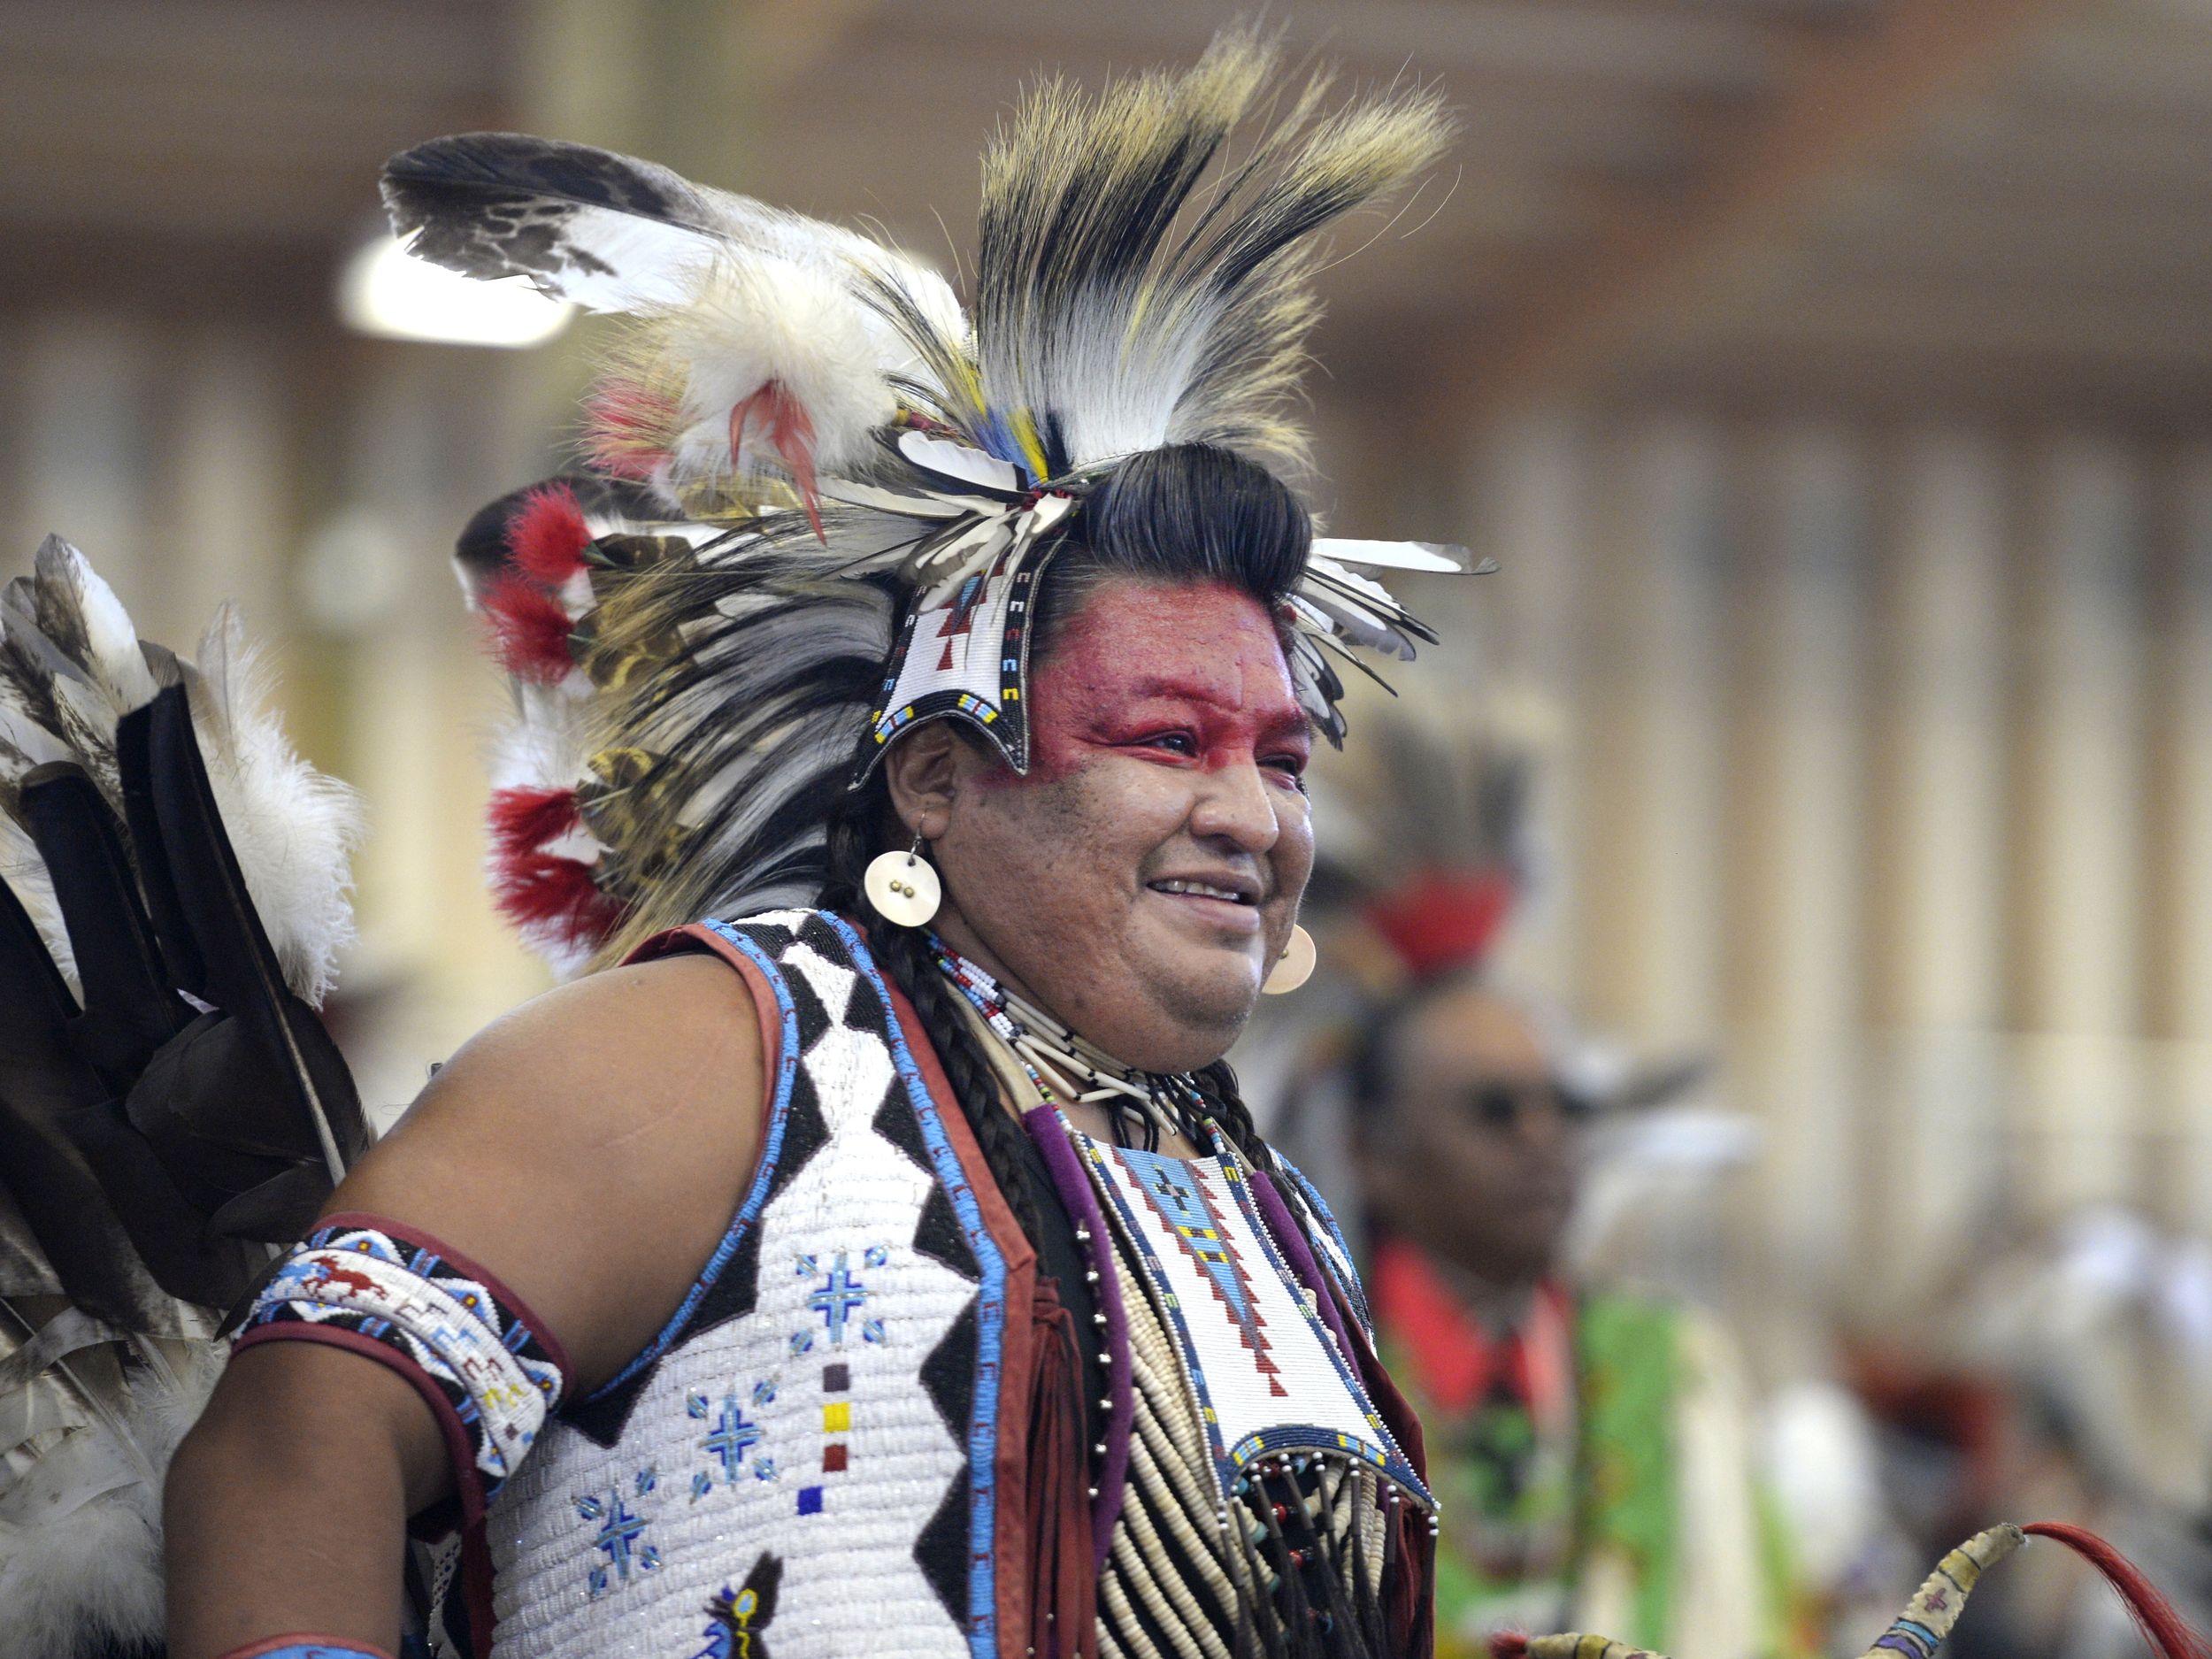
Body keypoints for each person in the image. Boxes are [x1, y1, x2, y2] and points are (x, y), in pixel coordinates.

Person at [1, 29, 1479, 1659]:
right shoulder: (722, 1056)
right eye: (1164, 741)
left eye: (1281, 756)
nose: (1253, 813)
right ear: (934, 778)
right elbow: (296, 1437)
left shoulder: (1257, 1196)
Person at [1350, 972, 1804, 1659]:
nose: (1543, 1136)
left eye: (1564, 1106)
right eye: (1494, 1109)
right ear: (1374, 1152)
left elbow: (1764, 1622)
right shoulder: (1318, 1366)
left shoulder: (1672, 1362)